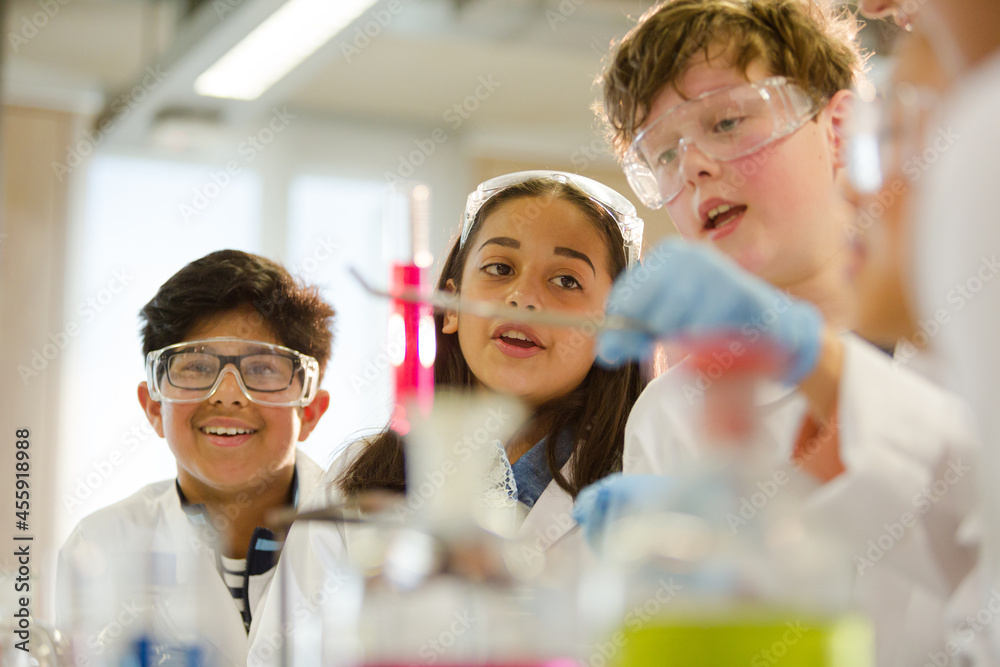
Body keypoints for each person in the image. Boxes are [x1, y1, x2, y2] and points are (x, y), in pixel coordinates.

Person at [573, 1, 979, 664]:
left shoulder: (970, 336)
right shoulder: (670, 414)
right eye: (664, 153)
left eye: (726, 121)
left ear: (839, 128)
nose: (694, 165)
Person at [247, 171, 649, 665]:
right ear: (451, 306)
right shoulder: (359, 479)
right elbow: (281, 654)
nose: (523, 297)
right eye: (500, 268)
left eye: (566, 280)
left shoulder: (641, 486)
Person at [56, 250, 334, 667]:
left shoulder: (361, 540)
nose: (228, 393)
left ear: (309, 411)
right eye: (198, 367)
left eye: (262, 369)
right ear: (154, 407)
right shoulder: (97, 547)